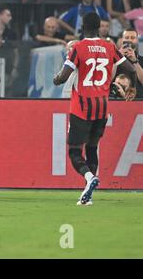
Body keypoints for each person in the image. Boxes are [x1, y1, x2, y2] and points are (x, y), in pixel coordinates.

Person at [53, 12, 136, 205]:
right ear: (99, 27)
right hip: (102, 108)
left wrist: (56, 78)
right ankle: (87, 195)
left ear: (83, 27)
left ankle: (89, 178)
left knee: (74, 151)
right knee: (92, 148)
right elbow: (130, 69)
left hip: (81, 108)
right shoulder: (110, 46)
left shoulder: (78, 47)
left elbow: (64, 77)